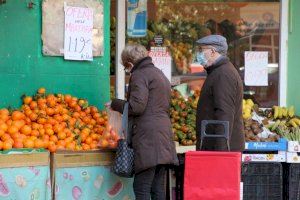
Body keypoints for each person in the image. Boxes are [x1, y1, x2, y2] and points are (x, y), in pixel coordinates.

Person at [110, 44, 178, 200]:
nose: (126, 70)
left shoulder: (140, 75)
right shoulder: (159, 74)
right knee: (157, 187)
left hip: (148, 138)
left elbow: (137, 106)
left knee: (141, 187)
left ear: (129, 64)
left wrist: (116, 104)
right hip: (163, 136)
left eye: (125, 67)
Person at [195, 35, 245, 151]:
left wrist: (221, 152)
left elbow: (224, 114)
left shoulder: (223, 74)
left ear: (212, 51)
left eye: (201, 50)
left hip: (220, 150)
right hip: (216, 146)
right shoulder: (218, 72)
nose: (199, 55)